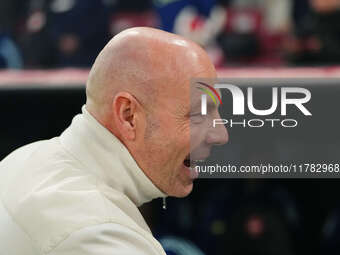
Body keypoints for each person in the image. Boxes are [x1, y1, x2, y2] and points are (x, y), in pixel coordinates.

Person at [0, 27, 228, 254]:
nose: (221, 135)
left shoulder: (23, 159)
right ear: (128, 116)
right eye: (198, 114)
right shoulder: (101, 235)